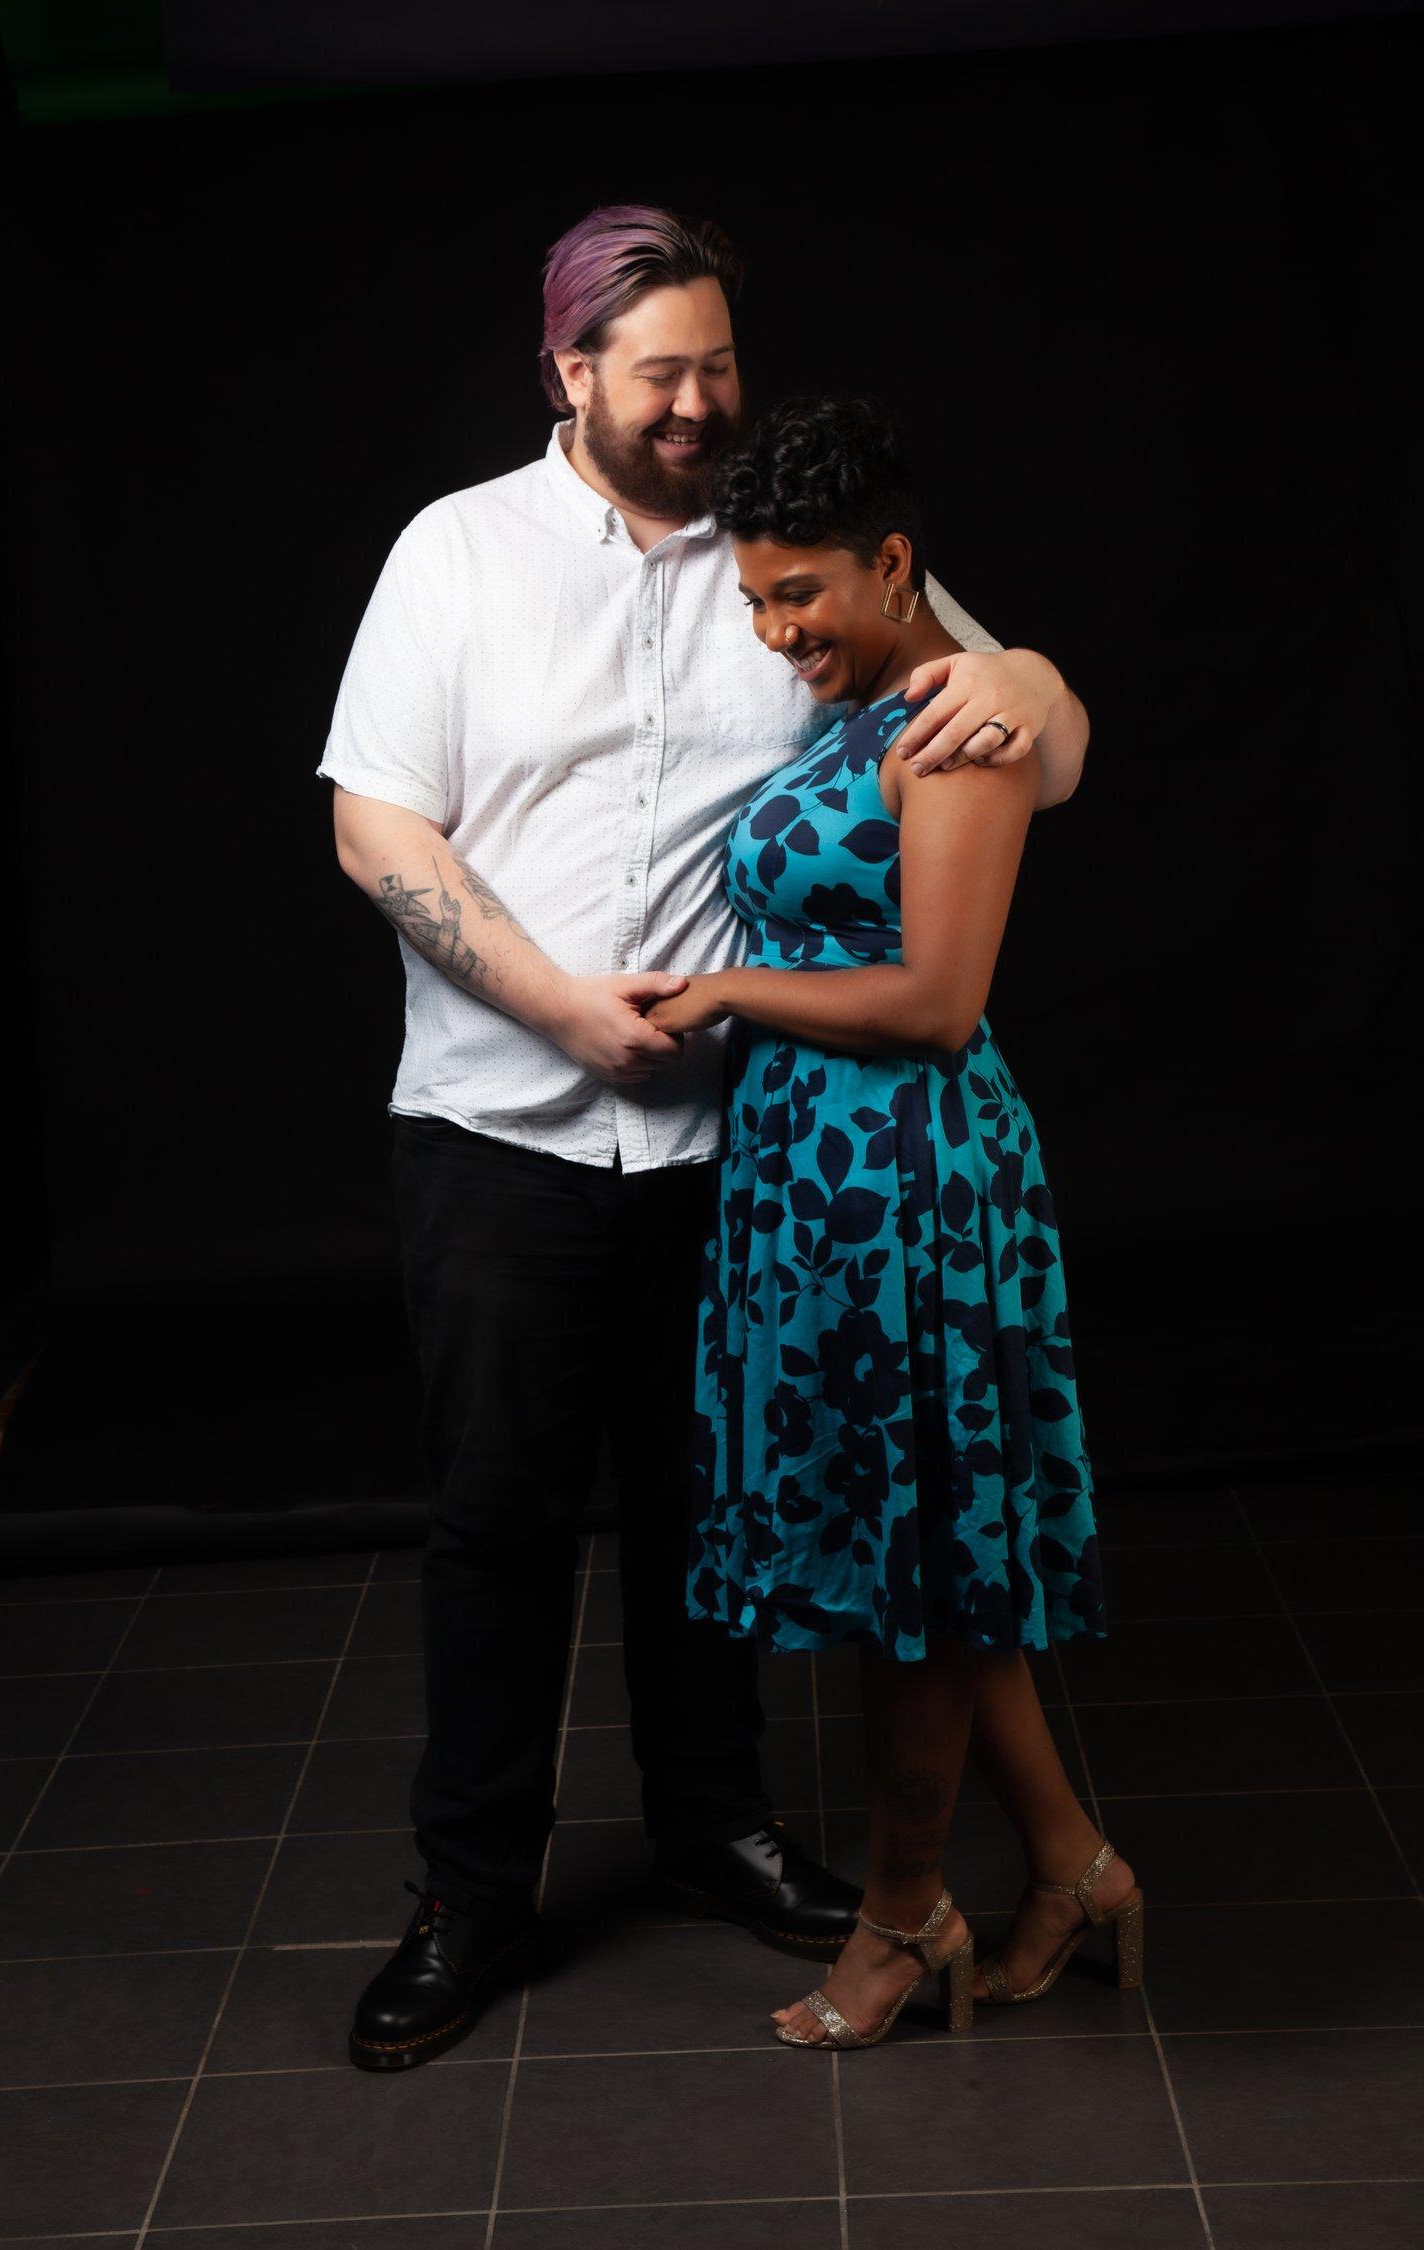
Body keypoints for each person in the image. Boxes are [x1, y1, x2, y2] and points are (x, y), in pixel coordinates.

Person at [318, 205, 1092, 2069]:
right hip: (501, 1124)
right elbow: (375, 827)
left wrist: (1052, 683)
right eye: (657, 370)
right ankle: (472, 1892)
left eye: (716, 365)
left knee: (708, 1514)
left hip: (734, 1156)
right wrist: (559, 1004)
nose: (694, 402)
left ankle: (716, 1824)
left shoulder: (792, 544)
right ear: (568, 371)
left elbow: (1018, 735)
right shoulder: (459, 555)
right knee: (500, 1520)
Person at [644, 395, 1140, 2050]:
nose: (782, 631)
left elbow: (936, 1001)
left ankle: (896, 1916)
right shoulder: (863, 702)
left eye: (804, 597)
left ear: (897, 564)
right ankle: (1076, 1868)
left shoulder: (959, 725)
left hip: (910, 1186)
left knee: (911, 1577)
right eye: (758, 603)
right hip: (816, 1185)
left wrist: (723, 984)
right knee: (920, 1559)